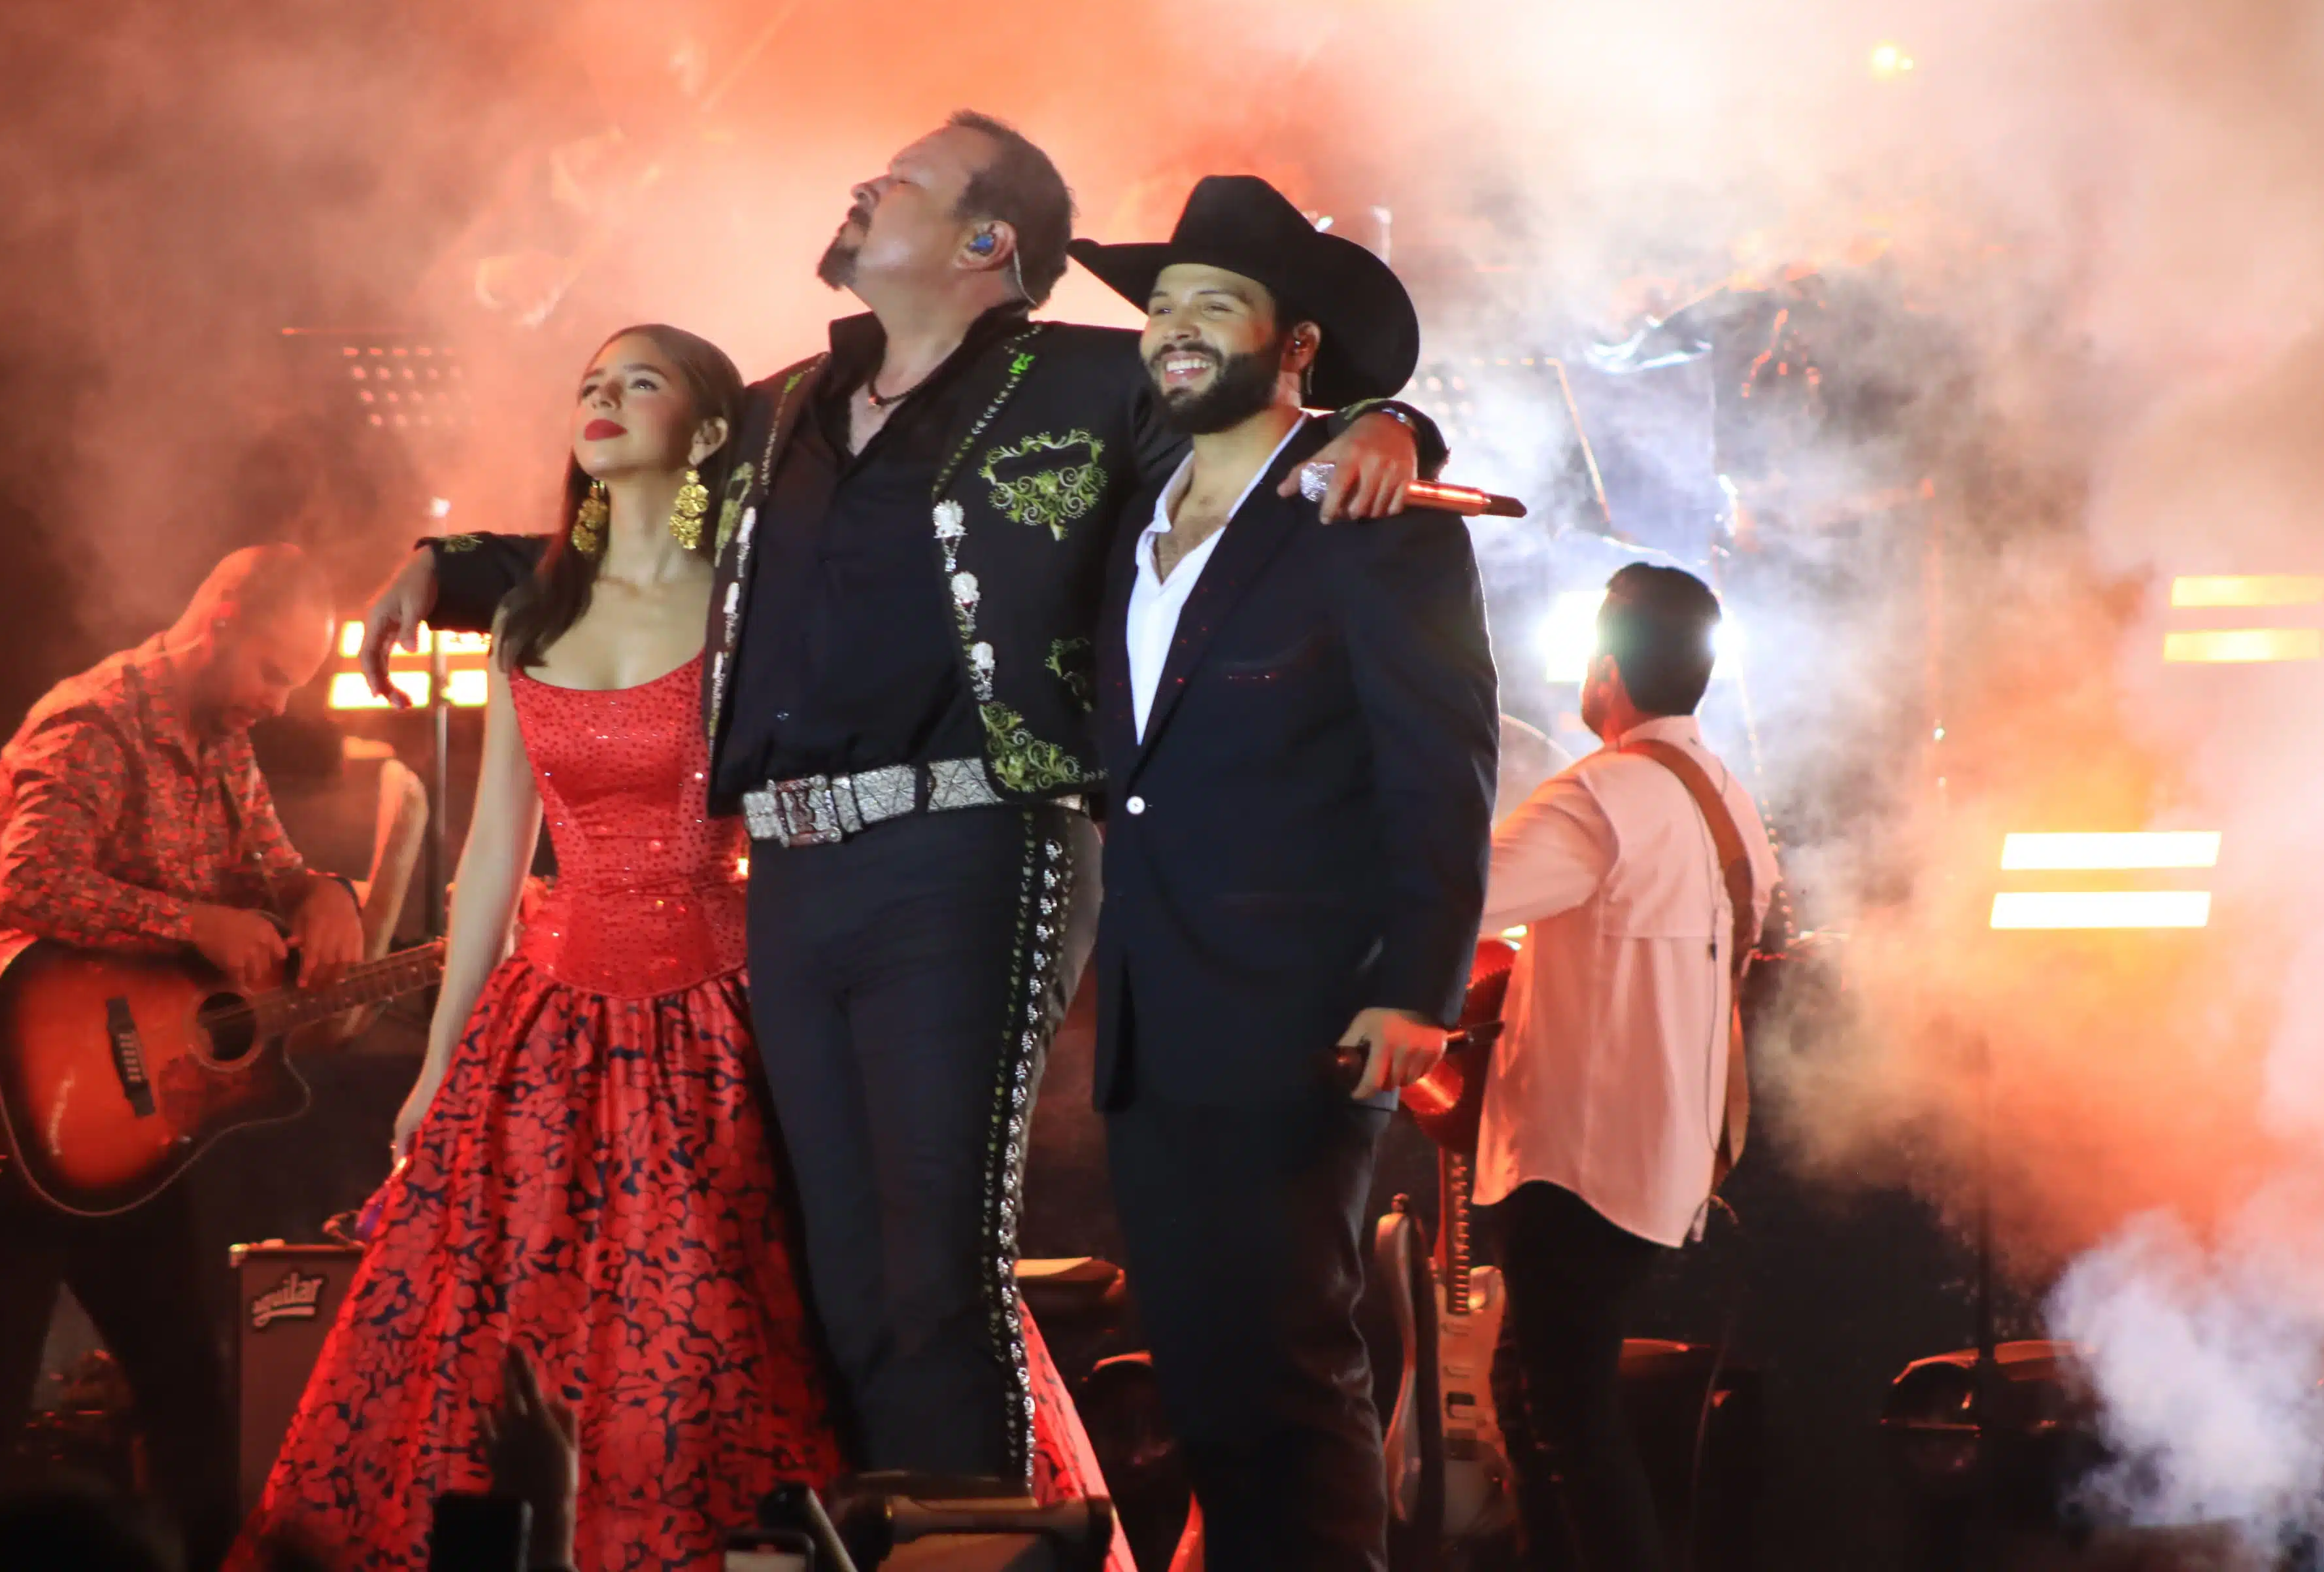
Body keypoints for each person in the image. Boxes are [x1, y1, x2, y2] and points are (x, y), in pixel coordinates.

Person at [358, 114, 1441, 1484]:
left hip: (974, 845)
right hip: (799, 877)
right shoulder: (780, 406)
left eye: (904, 184)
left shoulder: (1091, 381)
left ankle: (976, 1538)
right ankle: (900, 1532)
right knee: (840, 1267)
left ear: (989, 242)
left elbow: (1257, 415)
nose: (864, 188)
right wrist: (455, 568)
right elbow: (636, 540)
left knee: (936, 1261)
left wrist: (1393, 423)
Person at [240, 326, 1124, 1572]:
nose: (601, 400)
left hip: (731, 1000)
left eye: (637, 382)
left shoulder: (752, 605)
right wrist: (436, 1068)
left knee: (739, 1315)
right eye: (591, 385)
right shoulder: (532, 616)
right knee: (506, 1340)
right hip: (545, 1021)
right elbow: (494, 852)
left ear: (710, 435)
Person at [1075, 175, 1500, 1571]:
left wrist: (1418, 989)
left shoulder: (1376, 515)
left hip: (1302, 1018)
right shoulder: (1128, 500)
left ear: (1297, 344)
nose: (1176, 330)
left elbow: (1443, 770)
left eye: (1218, 305)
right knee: (1205, 1386)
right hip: (1151, 1016)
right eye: (1164, 306)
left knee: (1290, 1369)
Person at [0, 545, 363, 1572]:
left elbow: (276, 866)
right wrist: (192, 921)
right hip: (3, 1106)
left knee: (186, 1387)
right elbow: (30, 881)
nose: (280, 702)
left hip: (124, 1125)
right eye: (273, 671)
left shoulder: (223, 742)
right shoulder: (94, 720)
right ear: (220, 623)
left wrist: (322, 891)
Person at [1472, 564, 1781, 1572]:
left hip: (1579, 1162)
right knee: (1533, 1402)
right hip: (1668, 1158)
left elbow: (1454, 896)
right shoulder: (1731, 802)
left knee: (1570, 1430)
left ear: (1605, 670)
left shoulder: (1602, 796)